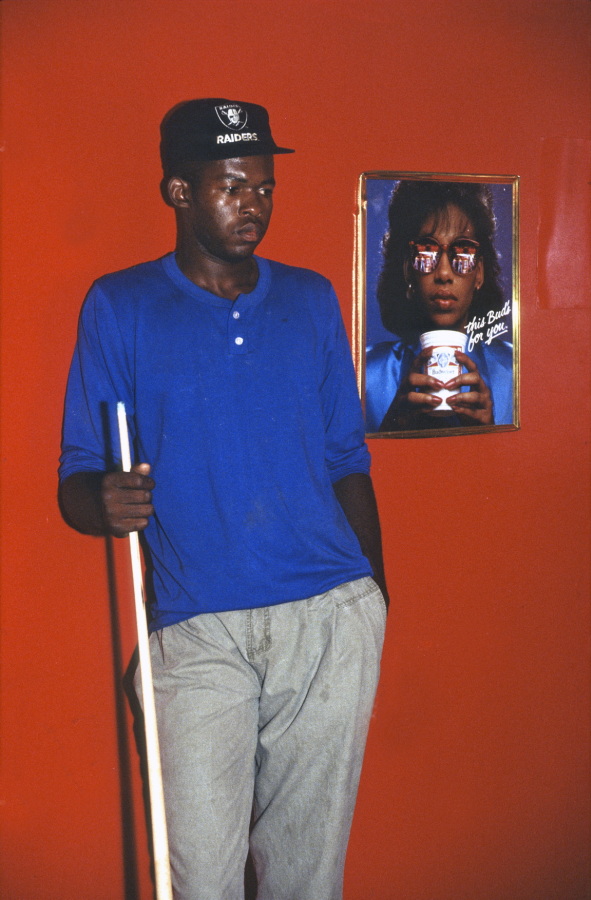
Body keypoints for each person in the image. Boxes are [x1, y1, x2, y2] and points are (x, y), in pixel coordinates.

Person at [58, 98, 388, 900]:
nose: (254, 204)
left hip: (327, 617)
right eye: (232, 185)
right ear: (179, 191)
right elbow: (77, 476)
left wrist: (375, 596)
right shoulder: (121, 304)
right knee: (198, 878)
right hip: (196, 629)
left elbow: (347, 459)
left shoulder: (309, 298)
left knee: (307, 879)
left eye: (264, 187)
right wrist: (101, 499)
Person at [365, 180, 513, 432]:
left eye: (463, 251)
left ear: (479, 273)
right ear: (408, 270)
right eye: (427, 251)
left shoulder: (514, 370)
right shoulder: (367, 373)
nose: (444, 273)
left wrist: (490, 438)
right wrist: (392, 429)